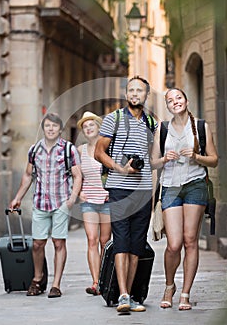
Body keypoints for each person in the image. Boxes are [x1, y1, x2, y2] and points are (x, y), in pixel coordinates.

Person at [94, 76, 158, 313]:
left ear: (146, 95)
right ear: (126, 94)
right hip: (119, 188)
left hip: (142, 192)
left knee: (136, 246)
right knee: (121, 241)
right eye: (131, 90)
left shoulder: (152, 122)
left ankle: (129, 295)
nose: (134, 93)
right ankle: (122, 295)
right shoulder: (114, 118)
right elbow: (98, 152)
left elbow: (152, 158)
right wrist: (120, 168)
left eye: (139, 90)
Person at [151, 87, 218, 311]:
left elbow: (214, 160)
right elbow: (153, 162)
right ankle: (169, 286)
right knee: (174, 244)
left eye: (178, 98)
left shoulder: (200, 126)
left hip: (195, 185)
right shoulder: (162, 129)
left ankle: (185, 294)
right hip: (170, 187)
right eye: (170, 100)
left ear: (186, 100)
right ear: (168, 106)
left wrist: (197, 156)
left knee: (190, 241)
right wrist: (163, 159)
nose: (175, 102)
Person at [9, 112, 82, 298]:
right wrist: (17, 197)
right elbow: (28, 175)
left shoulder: (68, 149)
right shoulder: (34, 150)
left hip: (61, 202)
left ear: (60, 129)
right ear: (43, 128)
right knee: (37, 244)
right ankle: (38, 278)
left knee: (58, 242)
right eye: (48, 126)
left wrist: (72, 198)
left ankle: (56, 284)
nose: (51, 129)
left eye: (54, 126)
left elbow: (77, 175)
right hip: (40, 202)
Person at [77, 111, 111, 296]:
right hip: (88, 200)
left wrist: (111, 192)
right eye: (85, 126)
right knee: (92, 240)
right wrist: (79, 190)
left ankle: (106, 279)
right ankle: (96, 282)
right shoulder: (80, 150)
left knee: (105, 242)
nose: (88, 128)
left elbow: (115, 172)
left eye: (92, 125)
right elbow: (76, 174)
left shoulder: (107, 147)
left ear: (98, 127)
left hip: (106, 200)